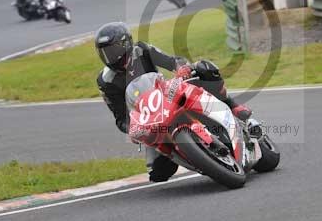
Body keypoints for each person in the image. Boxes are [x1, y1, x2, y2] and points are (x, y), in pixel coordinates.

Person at [95, 21, 253, 182]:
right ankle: (194, 157)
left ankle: (232, 105)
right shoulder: (105, 81)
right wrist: (131, 129)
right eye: (105, 53)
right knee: (159, 173)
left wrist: (180, 68)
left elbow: (171, 60)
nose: (111, 57)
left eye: (113, 50)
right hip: (149, 118)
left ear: (126, 43)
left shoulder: (141, 50)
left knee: (204, 69)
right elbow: (120, 117)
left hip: (166, 93)